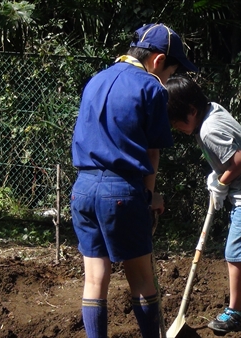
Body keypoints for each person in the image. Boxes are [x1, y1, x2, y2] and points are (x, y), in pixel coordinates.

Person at [70, 23, 197, 338]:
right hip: (122, 191)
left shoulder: (95, 81)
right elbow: (152, 154)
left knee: (95, 279)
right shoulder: (151, 87)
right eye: (170, 71)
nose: (167, 79)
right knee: (141, 279)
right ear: (158, 60)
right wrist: (148, 196)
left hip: (82, 189)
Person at [165, 74, 241, 333]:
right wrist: (220, 175)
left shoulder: (208, 129)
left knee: (234, 253)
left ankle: (234, 312)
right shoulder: (212, 109)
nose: (177, 127)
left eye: (178, 121)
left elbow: (239, 160)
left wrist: (221, 181)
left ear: (191, 110)